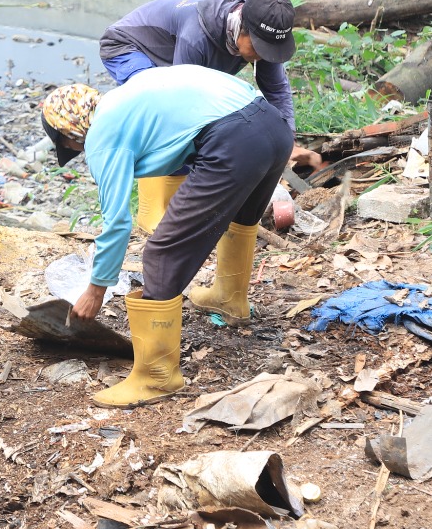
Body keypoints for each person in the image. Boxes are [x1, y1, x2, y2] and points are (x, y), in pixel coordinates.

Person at [40, 67, 291, 407]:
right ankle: (229, 300)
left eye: (69, 143)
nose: (76, 148)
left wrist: (96, 289)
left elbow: (116, 224)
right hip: (272, 125)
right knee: (242, 214)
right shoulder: (126, 98)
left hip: (232, 138)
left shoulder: (101, 132)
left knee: (161, 253)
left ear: (70, 130)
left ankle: (156, 377)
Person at [96, 0, 321, 232]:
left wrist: (286, 143)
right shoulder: (197, 37)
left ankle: (176, 211)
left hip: (174, 59)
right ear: (242, 28)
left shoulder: (259, 29)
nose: (263, 57)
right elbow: (179, 108)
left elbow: (277, 91)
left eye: (270, 50)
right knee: (163, 119)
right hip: (130, 48)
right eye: (259, 49)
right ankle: (152, 216)